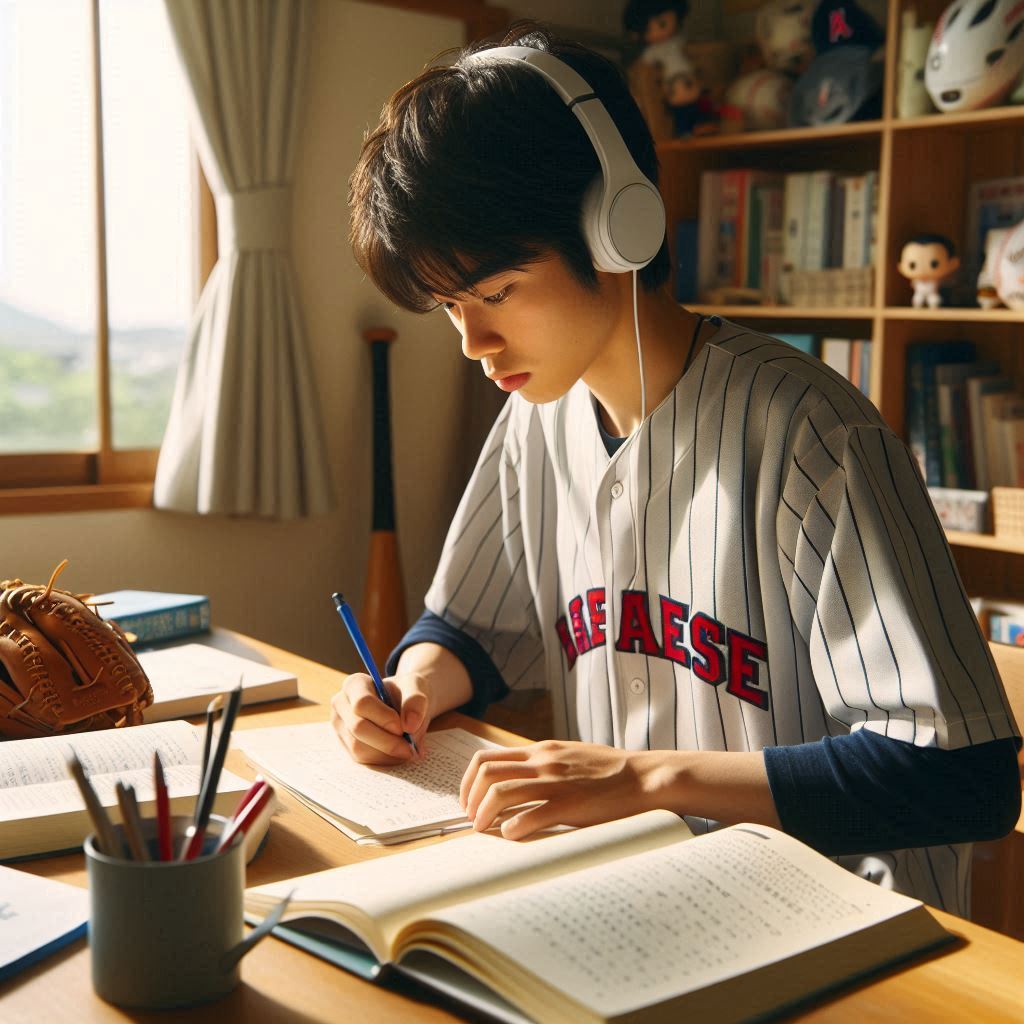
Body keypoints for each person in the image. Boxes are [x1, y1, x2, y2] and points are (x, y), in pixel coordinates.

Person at [336, 21, 1020, 916]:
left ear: (616, 223)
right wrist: (409, 690)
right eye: (449, 307)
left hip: (841, 932)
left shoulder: (813, 434)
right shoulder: (534, 423)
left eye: (496, 292)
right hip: (639, 906)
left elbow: (960, 779)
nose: (474, 341)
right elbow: (468, 630)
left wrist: (644, 778)